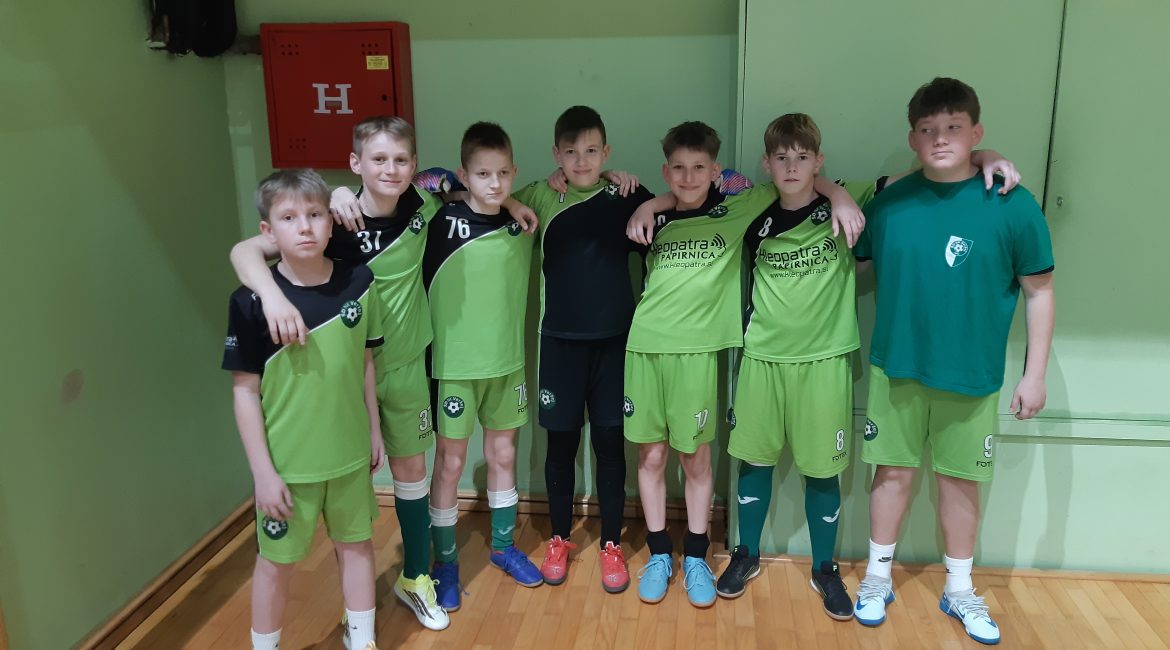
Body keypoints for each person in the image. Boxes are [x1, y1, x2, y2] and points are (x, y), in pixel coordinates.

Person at [852, 78, 1055, 646]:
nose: (940, 138)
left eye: (954, 128)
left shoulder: (1012, 203)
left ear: (976, 132)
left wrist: (1035, 374)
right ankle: (877, 578)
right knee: (891, 475)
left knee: (961, 484)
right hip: (897, 367)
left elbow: (1040, 291)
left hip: (972, 374)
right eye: (928, 129)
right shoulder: (889, 203)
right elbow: (853, 262)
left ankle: (960, 589)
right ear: (913, 139)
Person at [223, 169, 385, 650]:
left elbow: (365, 362)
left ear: (330, 223)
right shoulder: (250, 302)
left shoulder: (359, 281)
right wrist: (262, 473)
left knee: (356, 547)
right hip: (288, 467)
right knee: (276, 563)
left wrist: (373, 429)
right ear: (268, 231)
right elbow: (244, 393)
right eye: (289, 218)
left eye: (315, 215)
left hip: (349, 455)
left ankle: (362, 639)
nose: (305, 227)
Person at [424, 122, 543, 610]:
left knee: (503, 456)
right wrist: (452, 188)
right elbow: (418, 181)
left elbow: (567, 182)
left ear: (514, 171)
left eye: (502, 174)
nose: (494, 184)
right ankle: (446, 562)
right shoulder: (440, 218)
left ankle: (503, 547)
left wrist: (512, 203)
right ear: (464, 173)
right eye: (482, 174)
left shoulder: (524, 221)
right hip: (454, 366)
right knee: (450, 463)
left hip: (506, 365)